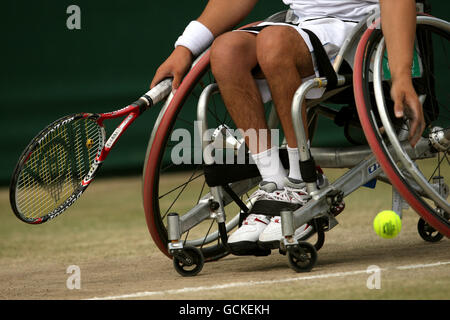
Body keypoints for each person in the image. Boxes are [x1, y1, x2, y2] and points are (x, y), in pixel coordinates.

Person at [150, 0, 423, 253]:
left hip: (366, 32)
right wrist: (185, 47)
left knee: (274, 43)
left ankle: (300, 182)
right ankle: (274, 184)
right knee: (225, 51)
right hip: (301, 28)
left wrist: (402, 74)